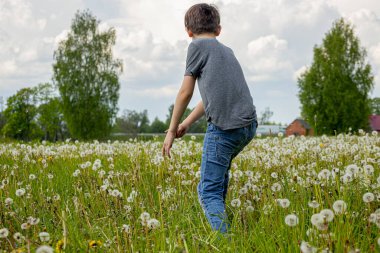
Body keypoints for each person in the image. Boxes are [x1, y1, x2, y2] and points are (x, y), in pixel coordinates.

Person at [162, 3, 257, 234]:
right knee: (219, 177)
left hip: (224, 129)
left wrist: (171, 131)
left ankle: (225, 242)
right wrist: (186, 123)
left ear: (188, 31)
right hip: (248, 126)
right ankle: (225, 225)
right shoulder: (226, 51)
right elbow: (209, 98)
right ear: (219, 29)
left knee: (208, 191)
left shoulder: (196, 47)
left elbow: (185, 92)